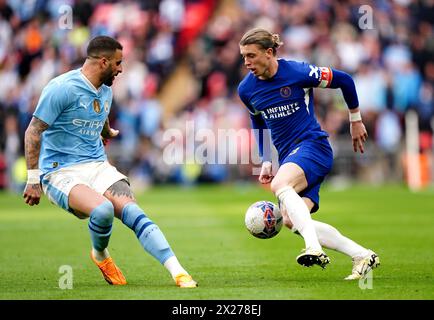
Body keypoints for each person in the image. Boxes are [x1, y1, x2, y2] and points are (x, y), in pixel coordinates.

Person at [22, 36, 197, 288]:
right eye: (117, 63)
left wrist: (106, 132)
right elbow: (33, 131)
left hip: (97, 165)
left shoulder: (106, 91)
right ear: (103, 62)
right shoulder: (61, 88)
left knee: (135, 213)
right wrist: (33, 180)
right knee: (103, 210)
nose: (121, 69)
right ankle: (101, 255)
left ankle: (179, 272)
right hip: (60, 172)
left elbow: (99, 114)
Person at [238, 28, 380, 280]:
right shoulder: (246, 90)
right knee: (292, 221)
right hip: (290, 158)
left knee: (280, 184)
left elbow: (344, 80)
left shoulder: (298, 72)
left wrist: (355, 118)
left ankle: (313, 248)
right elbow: (257, 122)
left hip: (313, 146)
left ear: (269, 53)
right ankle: (363, 255)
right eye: (243, 56)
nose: (247, 62)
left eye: (251, 55)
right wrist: (267, 160)